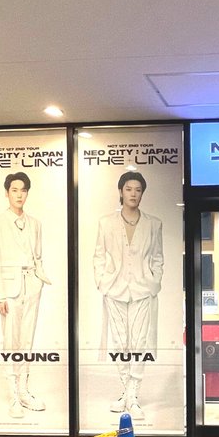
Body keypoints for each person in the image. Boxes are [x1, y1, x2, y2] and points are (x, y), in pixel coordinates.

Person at [93, 170, 163, 420]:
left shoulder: (153, 223)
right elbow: (99, 255)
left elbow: (157, 257)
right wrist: (103, 282)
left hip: (143, 290)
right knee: (120, 342)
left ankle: (133, 395)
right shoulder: (106, 223)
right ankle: (126, 391)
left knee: (140, 342)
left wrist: (154, 282)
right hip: (115, 289)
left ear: (142, 194)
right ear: (121, 192)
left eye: (138, 190)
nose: (133, 194)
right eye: (129, 189)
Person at [0, 171, 51, 418]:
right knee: (10, 341)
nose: (19, 195)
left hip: (31, 286)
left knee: (27, 340)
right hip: (9, 289)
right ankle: (13, 394)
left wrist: (39, 280)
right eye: (14, 190)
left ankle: (24, 390)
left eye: (23, 190)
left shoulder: (35, 224)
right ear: (7, 193)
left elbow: (38, 255)